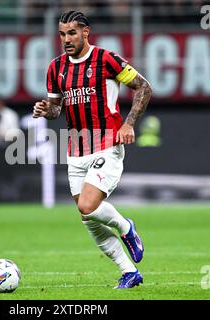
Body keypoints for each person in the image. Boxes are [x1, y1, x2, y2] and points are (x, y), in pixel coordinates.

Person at [32, 11, 152, 289]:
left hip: (107, 145)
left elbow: (144, 87)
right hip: (76, 151)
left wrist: (129, 123)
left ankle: (125, 227)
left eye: (72, 33)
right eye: (62, 34)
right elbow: (56, 109)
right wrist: (45, 110)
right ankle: (129, 273)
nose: (66, 40)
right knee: (88, 217)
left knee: (88, 205)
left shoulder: (106, 60)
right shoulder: (56, 67)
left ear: (86, 32)